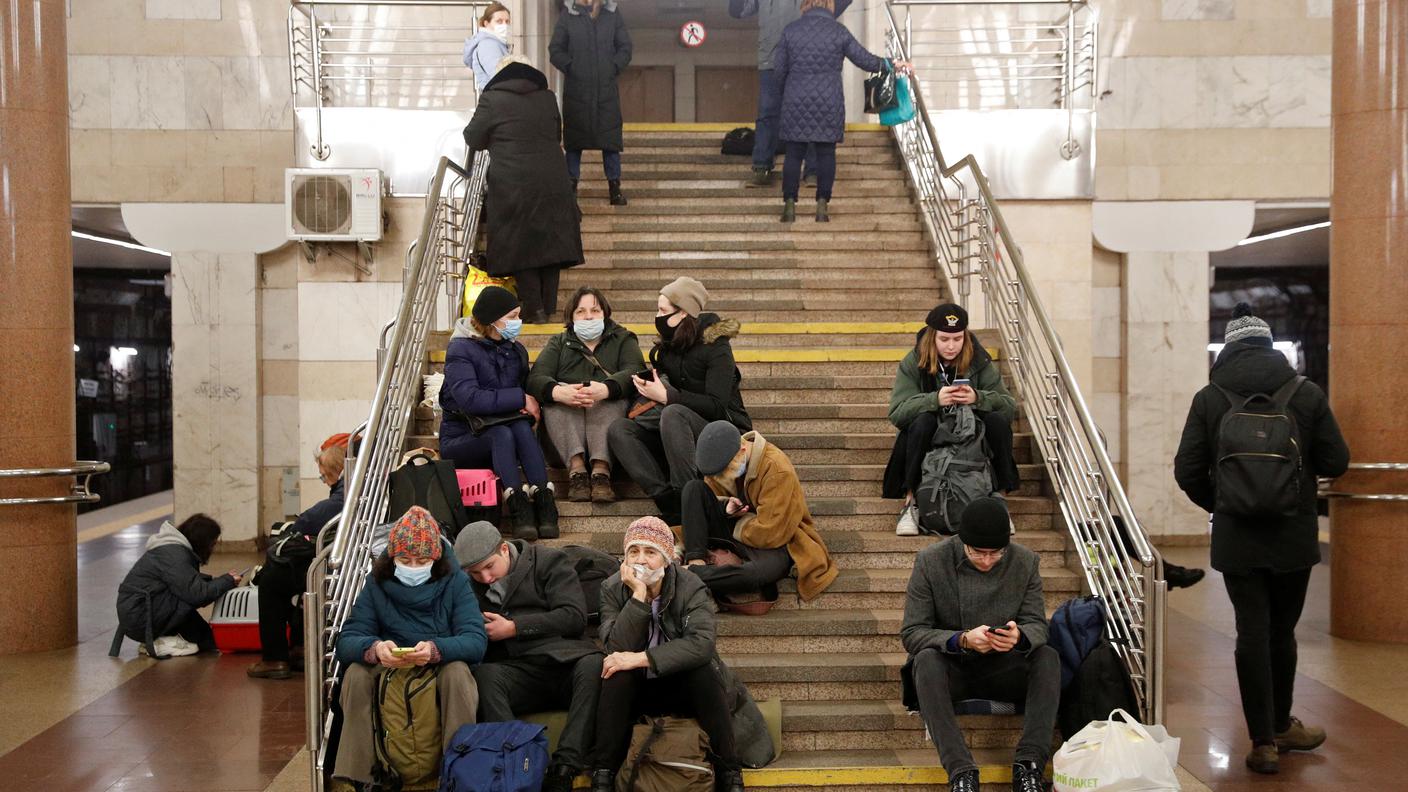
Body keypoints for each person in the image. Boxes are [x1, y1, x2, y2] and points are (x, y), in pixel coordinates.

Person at [1173, 302, 1349, 775]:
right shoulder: (1305, 393)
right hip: (1293, 536)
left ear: (1229, 348)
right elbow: (1335, 461)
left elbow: (1186, 469)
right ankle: (1281, 722)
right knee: (1282, 633)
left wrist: (1223, 504)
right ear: (1270, 345)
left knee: (1250, 631)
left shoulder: (1210, 397)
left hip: (1237, 540)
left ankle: (1263, 740)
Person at [900, 497, 1058, 792]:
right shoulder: (931, 561)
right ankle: (961, 772)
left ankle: (1029, 766)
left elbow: (1037, 625)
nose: (986, 561)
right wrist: (961, 639)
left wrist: (1019, 637)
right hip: (953, 669)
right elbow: (912, 632)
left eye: (995, 553)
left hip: (1003, 667)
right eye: (978, 553)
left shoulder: (1025, 561)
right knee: (925, 661)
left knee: (1047, 657)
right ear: (962, 543)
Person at [332, 507, 486, 788]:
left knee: (458, 673)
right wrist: (375, 648)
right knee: (355, 673)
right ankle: (359, 777)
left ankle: (458, 774)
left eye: (422, 559)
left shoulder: (456, 582)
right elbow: (348, 639)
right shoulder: (376, 583)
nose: (413, 566)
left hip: (436, 664)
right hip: (388, 665)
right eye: (404, 559)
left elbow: (475, 640)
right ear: (392, 558)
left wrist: (435, 649)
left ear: (435, 558)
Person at [589, 517, 746, 792]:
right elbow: (616, 646)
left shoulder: (690, 586)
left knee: (704, 671)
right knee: (615, 672)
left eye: (650, 552)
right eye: (633, 552)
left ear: (667, 559)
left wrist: (641, 659)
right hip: (638, 689)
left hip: (679, 682)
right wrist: (638, 596)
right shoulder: (611, 587)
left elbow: (701, 643)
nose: (641, 560)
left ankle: (729, 770)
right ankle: (604, 771)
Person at [455, 521, 604, 792]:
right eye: (476, 573)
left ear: (504, 549)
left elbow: (573, 617)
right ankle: (516, 759)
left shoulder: (548, 561)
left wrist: (513, 628)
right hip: (517, 670)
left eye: (489, 567)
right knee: (485, 676)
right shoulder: (468, 586)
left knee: (594, 664)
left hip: (564, 662)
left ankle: (566, 766)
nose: (486, 578)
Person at [607, 277, 751, 525]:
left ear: (684, 313)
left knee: (674, 412)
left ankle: (688, 500)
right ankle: (669, 502)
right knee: (619, 430)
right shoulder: (667, 347)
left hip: (723, 430)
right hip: (676, 432)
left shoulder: (717, 348)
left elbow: (717, 406)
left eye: (663, 311)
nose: (657, 316)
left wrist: (666, 396)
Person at [463, 57, 583, 325]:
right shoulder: (547, 97)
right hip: (553, 178)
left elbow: (472, 137)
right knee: (551, 243)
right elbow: (556, 134)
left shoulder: (492, 99)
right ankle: (548, 309)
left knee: (521, 243)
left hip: (512, 181)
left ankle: (533, 308)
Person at [883, 303, 1019, 536]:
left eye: (957, 339)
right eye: (944, 339)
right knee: (921, 421)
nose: (951, 346)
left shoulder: (979, 360)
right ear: (932, 337)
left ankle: (999, 502)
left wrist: (977, 397)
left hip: (971, 433)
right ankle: (911, 503)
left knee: (997, 421)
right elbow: (897, 413)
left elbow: (1009, 407)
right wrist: (935, 400)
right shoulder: (913, 361)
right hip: (932, 431)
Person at [439, 286, 559, 541]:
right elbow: (470, 399)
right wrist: (520, 398)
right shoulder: (460, 349)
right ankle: (518, 508)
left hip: (505, 428)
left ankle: (545, 503)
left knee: (520, 428)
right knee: (502, 434)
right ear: (493, 319)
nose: (518, 322)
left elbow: (523, 394)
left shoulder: (516, 351)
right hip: (463, 437)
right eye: (513, 316)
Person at [773, 0, 910, 222]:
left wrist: (787, 91)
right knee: (826, 153)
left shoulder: (791, 31)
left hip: (795, 99)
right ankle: (822, 206)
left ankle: (789, 206)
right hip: (829, 101)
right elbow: (865, 60)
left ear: (805, 4)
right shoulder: (838, 31)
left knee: (794, 153)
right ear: (829, 5)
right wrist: (892, 64)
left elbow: (779, 71)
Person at [683, 420, 837, 605]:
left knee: (756, 574)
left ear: (742, 451)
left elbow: (772, 532)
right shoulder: (725, 458)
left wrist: (738, 522)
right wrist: (726, 508)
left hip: (776, 540)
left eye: (723, 473)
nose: (720, 478)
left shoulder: (777, 469)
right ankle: (696, 562)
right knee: (693, 488)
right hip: (741, 528)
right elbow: (713, 492)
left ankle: (689, 575)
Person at [526, 286, 646, 503]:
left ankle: (601, 472)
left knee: (609, 400)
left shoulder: (623, 339)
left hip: (611, 429)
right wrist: (559, 391)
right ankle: (577, 472)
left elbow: (634, 370)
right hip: (562, 436)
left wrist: (606, 388)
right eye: (581, 311)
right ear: (571, 317)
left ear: (605, 313)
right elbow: (535, 378)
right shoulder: (559, 343)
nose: (589, 316)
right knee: (555, 399)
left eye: (595, 310)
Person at [247, 433, 349, 680]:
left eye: (324, 475)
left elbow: (298, 527)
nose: (324, 481)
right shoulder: (355, 491)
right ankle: (301, 649)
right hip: (336, 564)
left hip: (324, 568)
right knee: (301, 578)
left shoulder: (333, 504)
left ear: (336, 471)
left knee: (271, 581)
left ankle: (274, 659)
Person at [728, 0, 852, 187]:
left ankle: (813, 171)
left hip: (806, 57)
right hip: (771, 59)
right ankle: (762, 167)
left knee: (811, 113)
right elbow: (738, 11)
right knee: (768, 114)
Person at [115, 514, 242, 657]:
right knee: (188, 599)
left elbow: (189, 583)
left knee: (207, 640)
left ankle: (165, 638)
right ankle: (156, 643)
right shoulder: (174, 555)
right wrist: (227, 581)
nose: (212, 549)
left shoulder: (174, 549)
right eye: (212, 544)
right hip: (141, 620)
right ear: (202, 542)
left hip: (142, 611)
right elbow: (197, 595)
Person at [549, 0, 632, 206]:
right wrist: (571, 67)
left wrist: (613, 67)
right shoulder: (568, 15)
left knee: (610, 140)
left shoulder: (612, 14)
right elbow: (555, 49)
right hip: (577, 89)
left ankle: (614, 187)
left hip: (606, 90)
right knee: (575, 141)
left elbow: (625, 47)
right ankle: (571, 186)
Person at [463, 2, 512, 92]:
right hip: (497, 98)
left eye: (507, 21)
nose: (504, 25)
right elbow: (500, 76)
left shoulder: (496, 42)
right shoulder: (488, 44)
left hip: (497, 96)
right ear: (486, 23)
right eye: (499, 21)